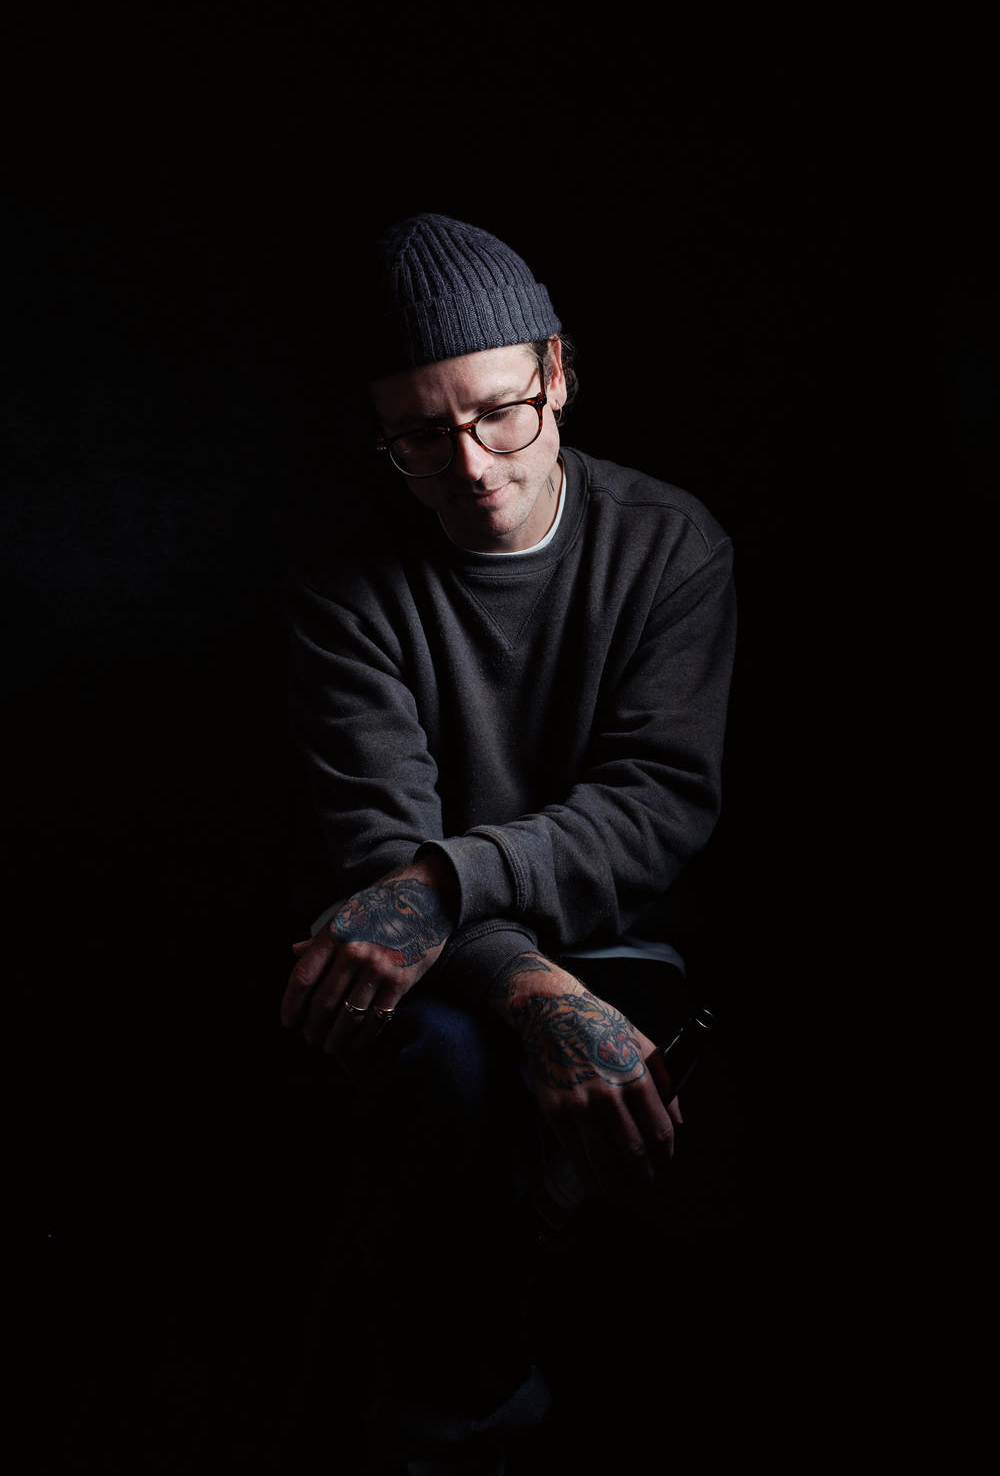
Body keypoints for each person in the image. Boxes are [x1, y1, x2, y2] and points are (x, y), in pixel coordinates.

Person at [280, 212, 737, 1474]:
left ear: (556, 372)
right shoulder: (347, 594)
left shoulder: (671, 544)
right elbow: (378, 845)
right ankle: (464, 1408)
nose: (471, 465)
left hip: (618, 937)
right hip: (435, 974)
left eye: (497, 413)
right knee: (441, 1061)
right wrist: (523, 981)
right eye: (419, 435)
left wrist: (444, 880)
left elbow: (655, 807)